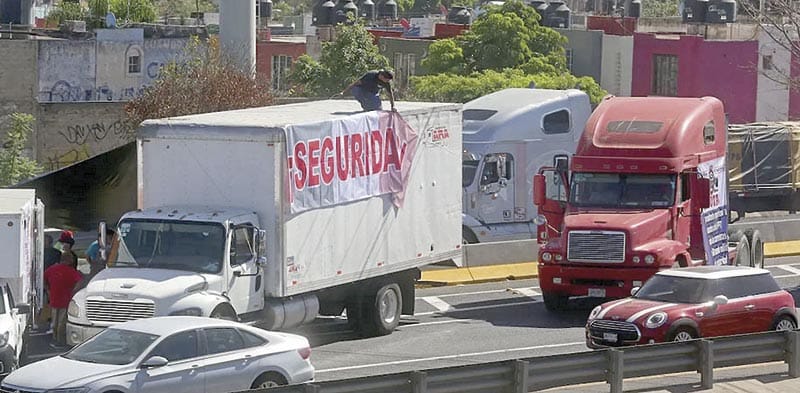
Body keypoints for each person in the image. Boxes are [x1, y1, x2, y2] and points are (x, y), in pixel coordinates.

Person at [43, 252, 83, 347]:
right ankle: (59, 340)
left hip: (54, 298)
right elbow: (80, 281)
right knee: (62, 321)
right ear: (69, 260)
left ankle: (54, 338)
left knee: (55, 320)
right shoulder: (71, 271)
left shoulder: (52, 269)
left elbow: (44, 278)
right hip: (65, 300)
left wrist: (48, 289)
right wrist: (74, 291)